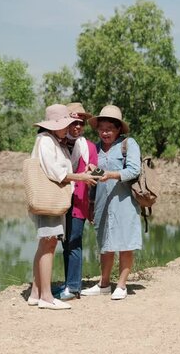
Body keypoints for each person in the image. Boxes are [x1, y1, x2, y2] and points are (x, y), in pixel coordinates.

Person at [27, 104, 97, 310]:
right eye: (67, 123)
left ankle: (36, 292)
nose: (69, 128)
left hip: (55, 201)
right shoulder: (47, 141)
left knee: (46, 244)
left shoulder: (54, 141)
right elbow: (56, 172)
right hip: (49, 200)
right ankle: (46, 297)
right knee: (48, 244)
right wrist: (81, 176)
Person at [81, 105, 142, 300]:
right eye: (101, 128)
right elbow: (100, 177)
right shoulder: (95, 148)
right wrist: (94, 170)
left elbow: (133, 170)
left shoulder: (128, 144)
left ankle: (122, 285)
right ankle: (104, 283)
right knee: (105, 243)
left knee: (125, 242)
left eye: (109, 128)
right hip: (102, 202)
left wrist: (112, 174)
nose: (105, 132)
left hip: (124, 201)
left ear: (118, 129)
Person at [56, 102, 98, 301]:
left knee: (74, 242)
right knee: (64, 242)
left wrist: (92, 168)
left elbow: (96, 176)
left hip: (79, 201)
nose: (78, 126)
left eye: (81, 123)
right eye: (74, 122)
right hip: (59, 200)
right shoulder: (57, 143)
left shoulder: (88, 147)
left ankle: (73, 287)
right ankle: (67, 284)